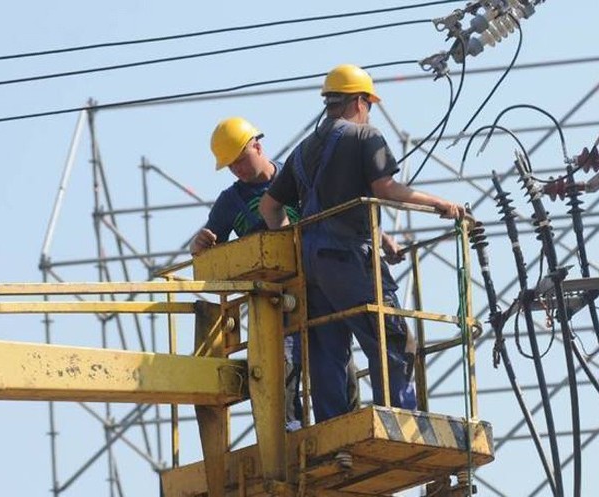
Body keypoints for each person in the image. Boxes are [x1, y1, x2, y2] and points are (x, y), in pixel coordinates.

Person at [259, 64, 465, 423]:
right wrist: (440, 204)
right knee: (391, 338)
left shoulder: (302, 150)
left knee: (327, 347)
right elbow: (386, 189)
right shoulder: (365, 136)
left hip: (312, 263)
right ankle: (399, 419)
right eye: (368, 103)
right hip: (349, 260)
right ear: (358, 101)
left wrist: (296, 243)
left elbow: (269, 206)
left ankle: (334, 429)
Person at [191, 116, 359, 430]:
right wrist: (199, 244)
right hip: (272, 298)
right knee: (278, 361)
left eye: (241, 160)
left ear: (258, 145)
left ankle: (345, 426)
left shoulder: (299, 175)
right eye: (231, 166)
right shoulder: (231, 202)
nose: (238, 169)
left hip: (318, 283)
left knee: (337, 357)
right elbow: (207, 249)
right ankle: (289, 430)